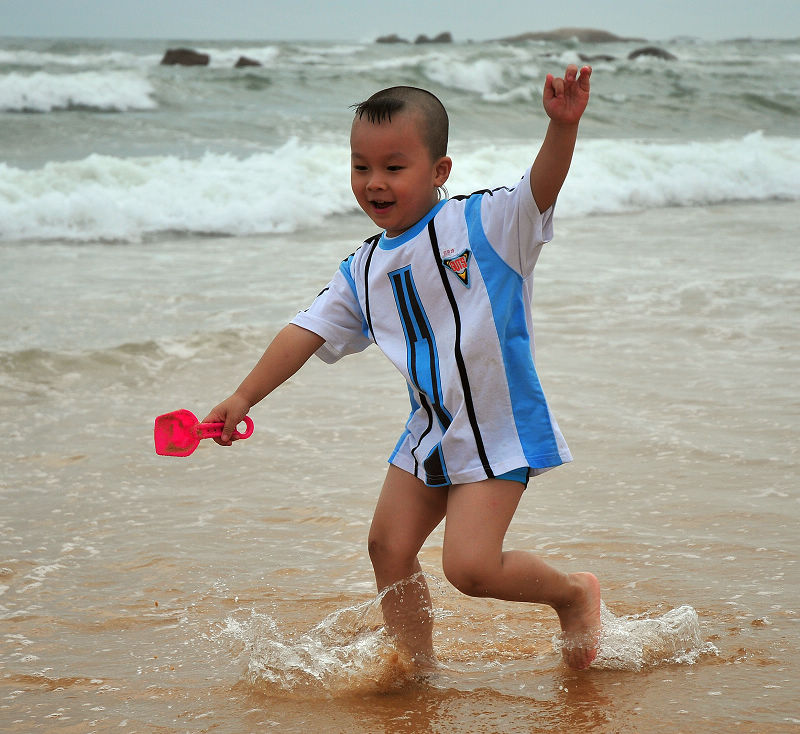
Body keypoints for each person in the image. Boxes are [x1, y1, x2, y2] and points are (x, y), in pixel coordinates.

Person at [204, 64, 602, 671]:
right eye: (361, 167)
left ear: (439, 171)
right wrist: (243, 395)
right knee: (386, 546)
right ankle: (416, 667)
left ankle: (574, 595)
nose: (375, 182)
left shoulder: (485, 225)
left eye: (394, 167)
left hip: (497, 425)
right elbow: (305, 331)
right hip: (431, 428)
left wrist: (561, 128)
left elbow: (539, 188)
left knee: (469, 568)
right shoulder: (361, 269)